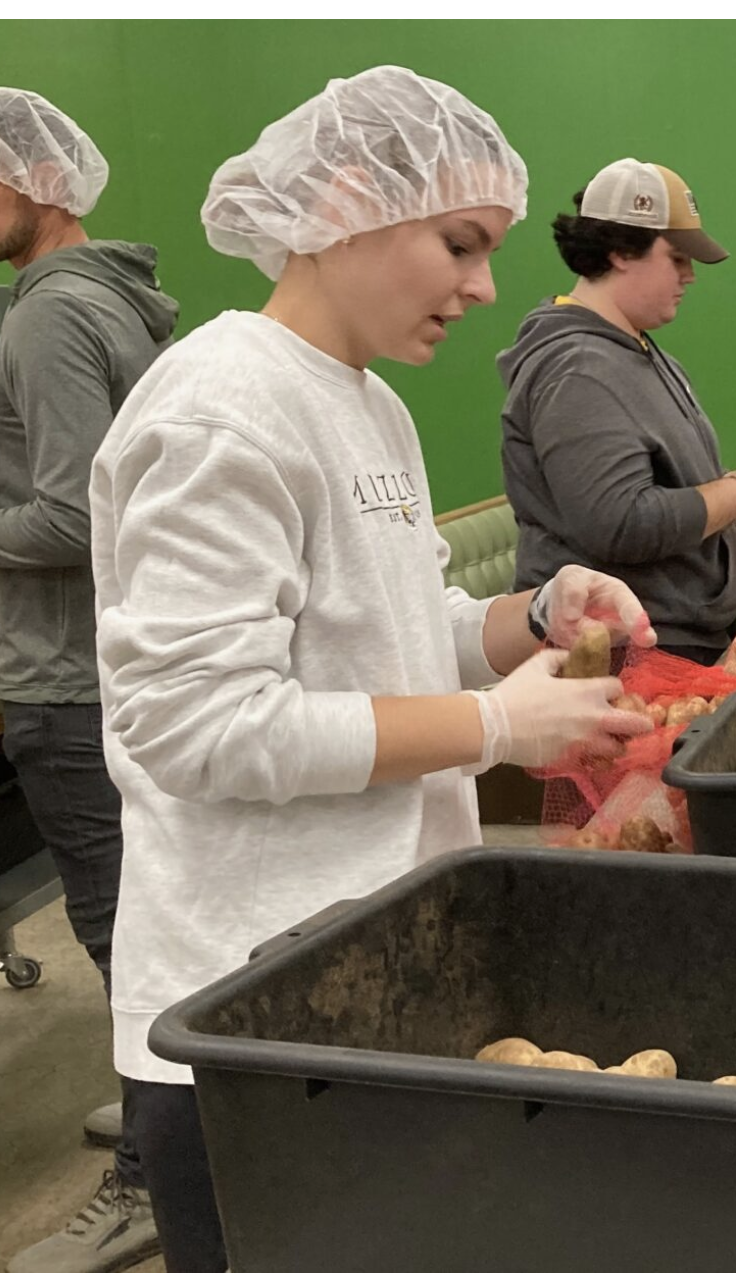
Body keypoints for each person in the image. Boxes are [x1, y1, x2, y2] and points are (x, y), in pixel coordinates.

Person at [90, 67, 653, 1272]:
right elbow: (195, 724)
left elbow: (401, 628)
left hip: (381, 969)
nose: (483, 285)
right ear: (347, 198)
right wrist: (494, 728)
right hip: (248, 1023)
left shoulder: (367, 405)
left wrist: (533, 614)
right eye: (459, 242)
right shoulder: (218, 411)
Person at [0, 88, 170, 1274]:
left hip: (66, 673)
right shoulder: (118, 297)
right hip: (115, 661)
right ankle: (162, 1104)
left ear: (32, 183)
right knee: (144, 920)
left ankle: (152, 1172)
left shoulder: (47, 318)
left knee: (120, 931)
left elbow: (70, 513)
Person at [499, 158, 736, 666]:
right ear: (622, 251)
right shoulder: (580, 368)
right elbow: (621, 522)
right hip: (626, 657)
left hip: (673, 641)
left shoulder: (639, 351)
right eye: (677, 258)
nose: (690, 276)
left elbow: (670, 494)